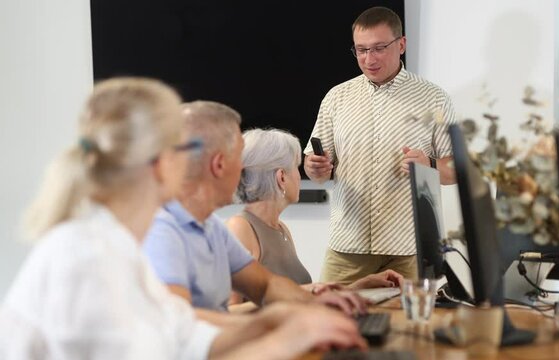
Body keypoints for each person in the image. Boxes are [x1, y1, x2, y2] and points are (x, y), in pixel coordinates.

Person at [0, 78, 366, 359]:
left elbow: (184, 333)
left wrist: (284, 324)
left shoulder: (118, 246)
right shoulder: (85, 257)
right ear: (162, 161)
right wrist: (282, 334)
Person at [143, 101, 368, 322]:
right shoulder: (163, 232)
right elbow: (182, 325)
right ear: (220, 164)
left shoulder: (210, 227)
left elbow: (266, 285)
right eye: (240, 159)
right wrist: (286, 325)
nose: (246, 173)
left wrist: (318, 300)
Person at [303, 6, 458, 284]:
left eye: (378, 48)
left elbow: (457, 170)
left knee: (411, 327)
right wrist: (315, 167)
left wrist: (429, 165)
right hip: (347, 246)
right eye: (361, 50)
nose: (368, 59)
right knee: (331, 321)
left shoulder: (434, 99)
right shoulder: (336, 98)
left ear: (401, 45)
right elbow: (317, 170)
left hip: (409, 249)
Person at [226, 128, 404, 304]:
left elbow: (300, 297)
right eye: (295, 168)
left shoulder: (281, 229)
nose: (299, 176)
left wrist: (359, 287)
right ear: (281, 178)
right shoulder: (240, 229)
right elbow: (228, 312)